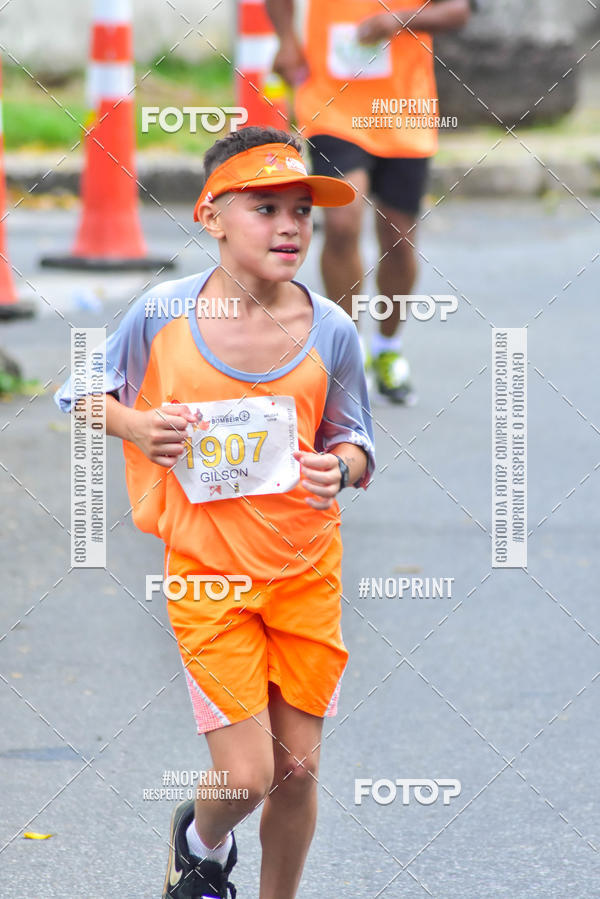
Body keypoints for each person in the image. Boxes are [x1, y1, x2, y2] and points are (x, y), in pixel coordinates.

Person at [55, 125, 375, 899]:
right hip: (209, 576)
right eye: (266, 209)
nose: (290, 227)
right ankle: (198, 841)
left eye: (302, 210)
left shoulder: (331, 329)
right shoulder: (162, 311)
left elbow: (357, 439)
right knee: (248, 773)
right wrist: (136, 424)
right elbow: (80, 393)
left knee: (297, 770)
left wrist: (339, 467)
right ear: (212, 216)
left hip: (305, 573)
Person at [266, 0, 473, 403]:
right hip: (332, 106)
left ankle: (387, 349)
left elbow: (458, 10)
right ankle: (348, 350)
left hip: (404, 112)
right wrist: (287, 39)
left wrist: (398, 20)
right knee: (342, 223)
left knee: (399, 240)